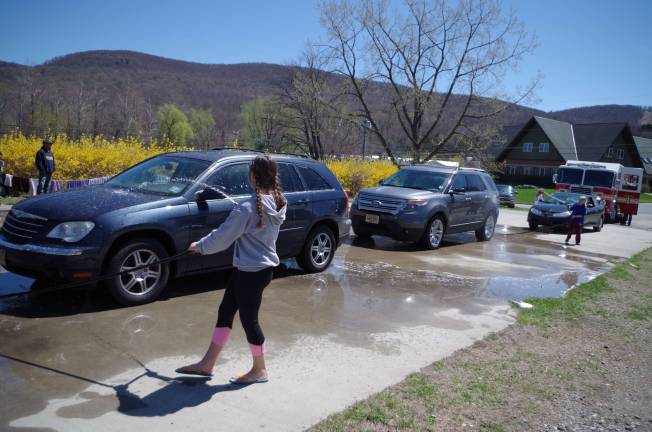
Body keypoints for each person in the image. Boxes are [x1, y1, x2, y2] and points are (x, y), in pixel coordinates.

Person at [176, 155, 287, 384]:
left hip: (252, 271)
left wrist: (200, 246)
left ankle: (260, 370)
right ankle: (207, 364)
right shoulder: (276, 202)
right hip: (255, 270)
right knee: (225, 311)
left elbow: (223, 237)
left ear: (253, 176)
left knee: (250, 320)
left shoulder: (247, 208)